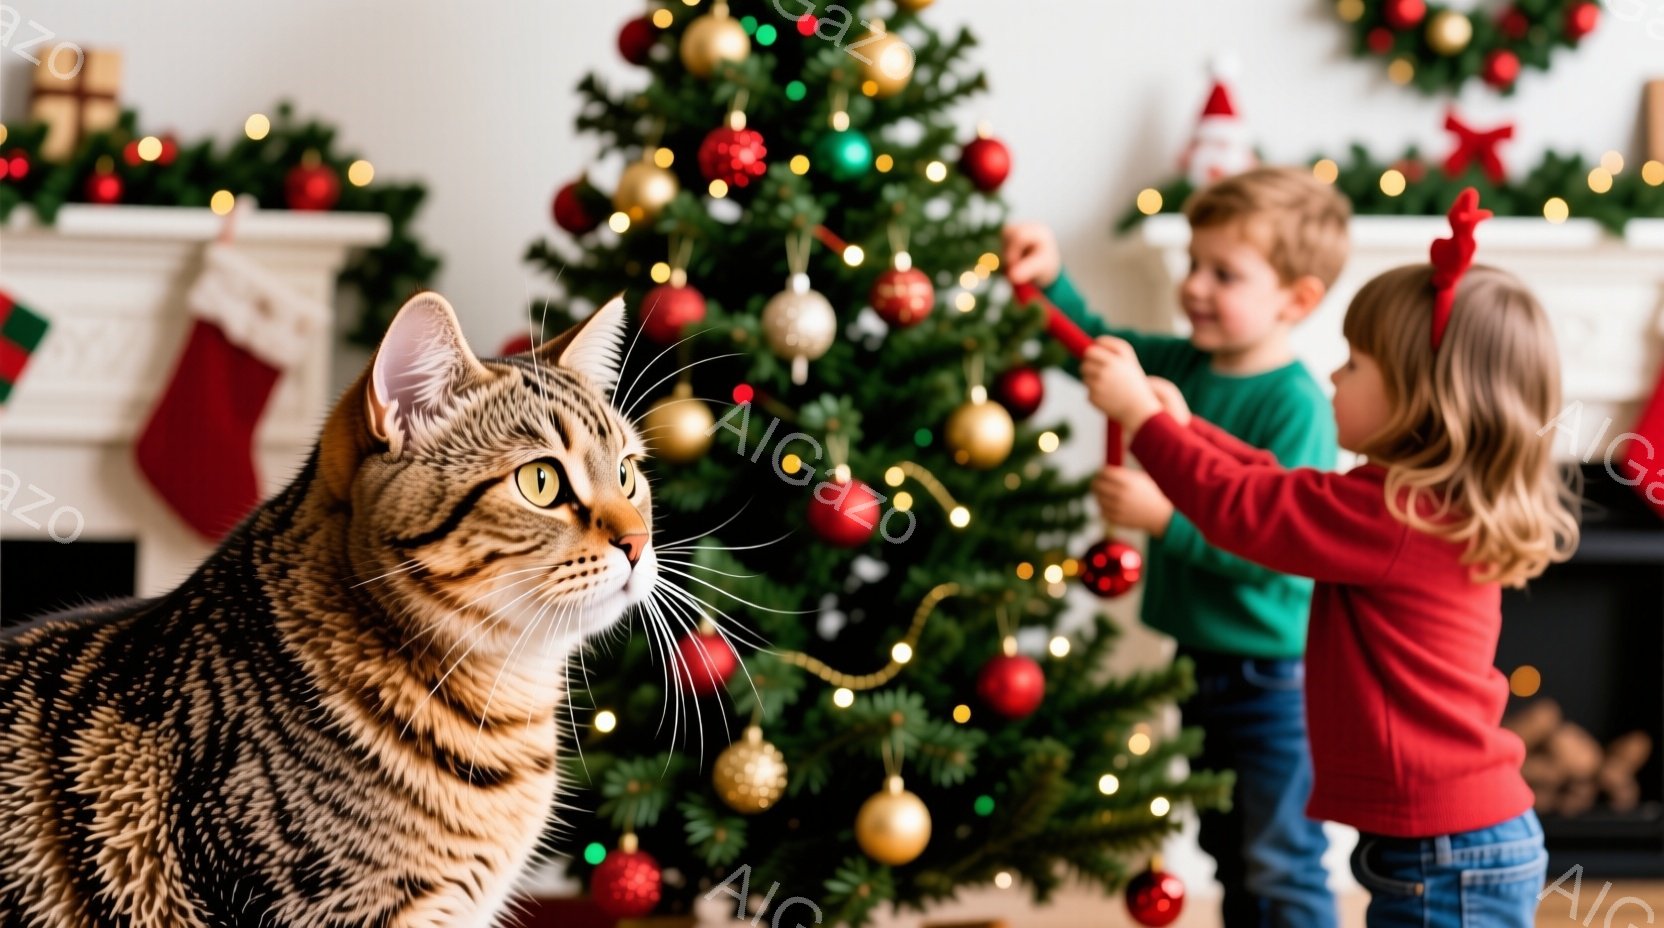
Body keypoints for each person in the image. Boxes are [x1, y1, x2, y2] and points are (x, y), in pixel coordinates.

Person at [1082, 188, 1579, 928]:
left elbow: (1245, 511)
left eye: (1355, 364)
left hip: (1447, 852)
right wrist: (1192, 432)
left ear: (1420, 399)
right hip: (1447, 842)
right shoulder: (1399, 501)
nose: (1335, 378)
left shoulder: (1399, 515)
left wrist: (1148, 424)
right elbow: (1278, 488)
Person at [1004, 166, 1350, 928]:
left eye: (1224, 273)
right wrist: (1050, 281)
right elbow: (1097, 350)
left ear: (1297, 298)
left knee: (1279, 855)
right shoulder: (1185, 363)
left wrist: (1166, 521)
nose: (1194, 285)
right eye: (1194, 263)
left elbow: (1284, 548)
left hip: (1277, 679)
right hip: (1200, 663)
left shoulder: (1294, 406)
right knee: (1229, 845)